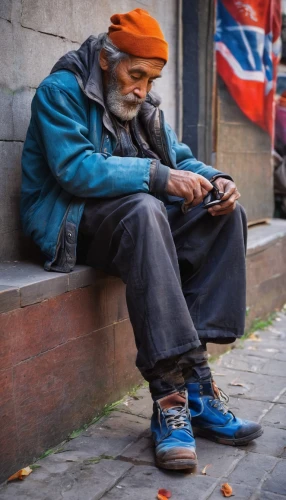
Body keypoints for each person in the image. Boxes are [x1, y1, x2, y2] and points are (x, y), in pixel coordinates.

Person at [21, 8, 263, 470]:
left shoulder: (141, 105)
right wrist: (157, 176)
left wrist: (217, 181)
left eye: (150, 81)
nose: (142, 89)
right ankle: (170, 398)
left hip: (135, 226)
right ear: (109, 60)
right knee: (146, 206)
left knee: (223, 215)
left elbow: (181, 159)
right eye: (136, 76)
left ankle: (197, 388)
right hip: (68, 224)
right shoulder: (60, 92)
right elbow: (77, 170)